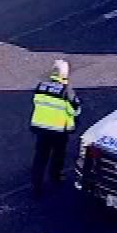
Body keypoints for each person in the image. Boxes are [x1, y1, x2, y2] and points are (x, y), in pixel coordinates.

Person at [30, 59, 81, 194]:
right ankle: (55, 176)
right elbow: (75, 110)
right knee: (58, 154)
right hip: (58, 131)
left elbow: (36, 102)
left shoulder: (41, 86)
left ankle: (36, 185)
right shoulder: (66, 92)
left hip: (41, 128)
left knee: (40, 156)